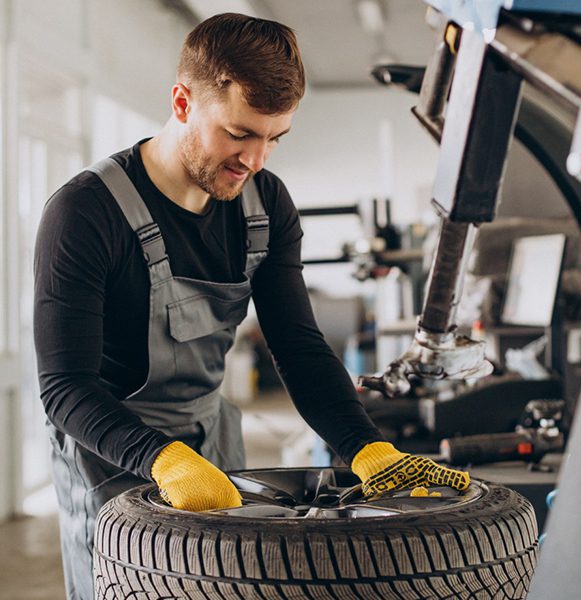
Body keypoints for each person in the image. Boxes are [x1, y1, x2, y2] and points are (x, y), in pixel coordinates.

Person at [33, 13, 469, 600]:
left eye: (274, 139)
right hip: (110, 454)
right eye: (239, 134)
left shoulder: (265, 205)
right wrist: (163, 460)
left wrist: (365, 447)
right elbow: (65, 388)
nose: (255, 160)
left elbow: (299, 346)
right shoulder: (85, 213)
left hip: (213, 439)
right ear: (182, 102)